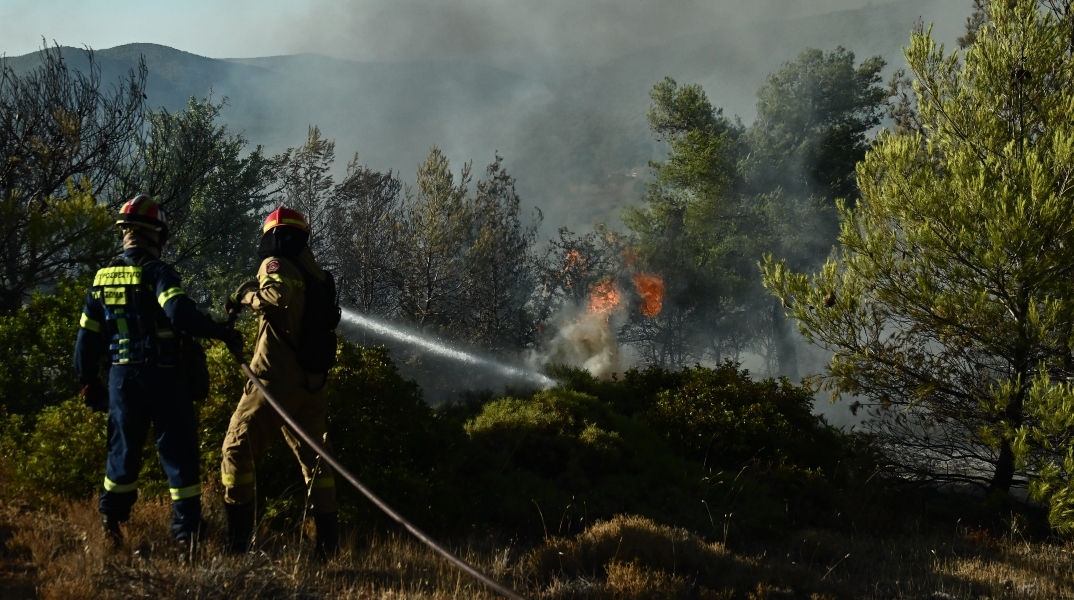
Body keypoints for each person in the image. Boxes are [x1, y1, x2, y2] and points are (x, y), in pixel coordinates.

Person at [74, 194, 243, 553]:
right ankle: (187, 535)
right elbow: (179, 314)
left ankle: (111, 525)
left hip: (121, 380)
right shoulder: (158, 273)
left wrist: (89, 381)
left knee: (122, 451)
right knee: (179, 455)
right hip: (164, 377)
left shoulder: (101, 280)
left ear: (125, 233)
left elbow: (86, 340)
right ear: (158, 234)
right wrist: (219, 331)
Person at [220, 206, 339, 557]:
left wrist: (246, 295)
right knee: (317, 463)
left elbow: (275, 298)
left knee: (236, 450)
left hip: (275, 380)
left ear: (272, 235)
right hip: (312, 385)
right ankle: (327, 549)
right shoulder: (315, 272)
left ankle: (237, 546)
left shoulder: (276, 264)